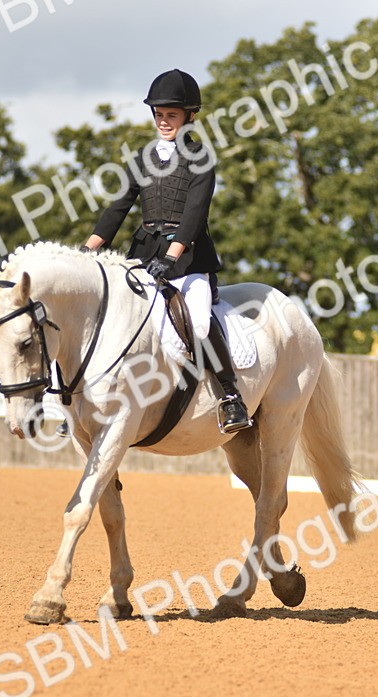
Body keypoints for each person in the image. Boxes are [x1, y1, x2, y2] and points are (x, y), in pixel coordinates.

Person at [82, 68, 252, 434]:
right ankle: (83, 398)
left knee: (199, 319)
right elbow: (117, 209)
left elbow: (194, 216)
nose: (163, 121)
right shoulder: (141, 159)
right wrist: (86, 251)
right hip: (144, 253)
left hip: (188, 257)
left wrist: (172, 257)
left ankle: (230, 395)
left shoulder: (201, 159)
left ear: (190, 115)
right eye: (158, 115)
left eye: (171, 115)